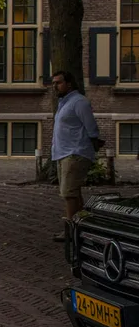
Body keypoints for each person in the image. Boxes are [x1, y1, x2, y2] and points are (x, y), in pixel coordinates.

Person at [51, 70, 103, 238]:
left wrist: (93, 143)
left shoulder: (79, 102)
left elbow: (92, 128)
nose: (55, 86)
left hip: (75, 153)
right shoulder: (63, 103)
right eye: (54, 83)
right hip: (63, 153)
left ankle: (71, 232)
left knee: (68, 193)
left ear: (69, 84)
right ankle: (82, 228)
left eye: (58, 83)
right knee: (74, 193)